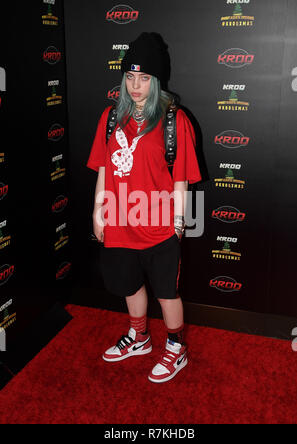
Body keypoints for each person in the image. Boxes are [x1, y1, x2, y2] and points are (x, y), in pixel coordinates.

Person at [86, 32, 202, 383]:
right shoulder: (110, 117)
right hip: (120, 221)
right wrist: (97, 209)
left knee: (167, 293)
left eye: (145, 78)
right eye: (130, 77)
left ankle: (176, 346)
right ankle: (139, 337)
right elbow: (104, 166)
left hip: (159, 223)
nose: (136, 85)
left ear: (157, 80)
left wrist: (179, 223)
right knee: (129, 284)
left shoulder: (173, 120)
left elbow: (180, 178)